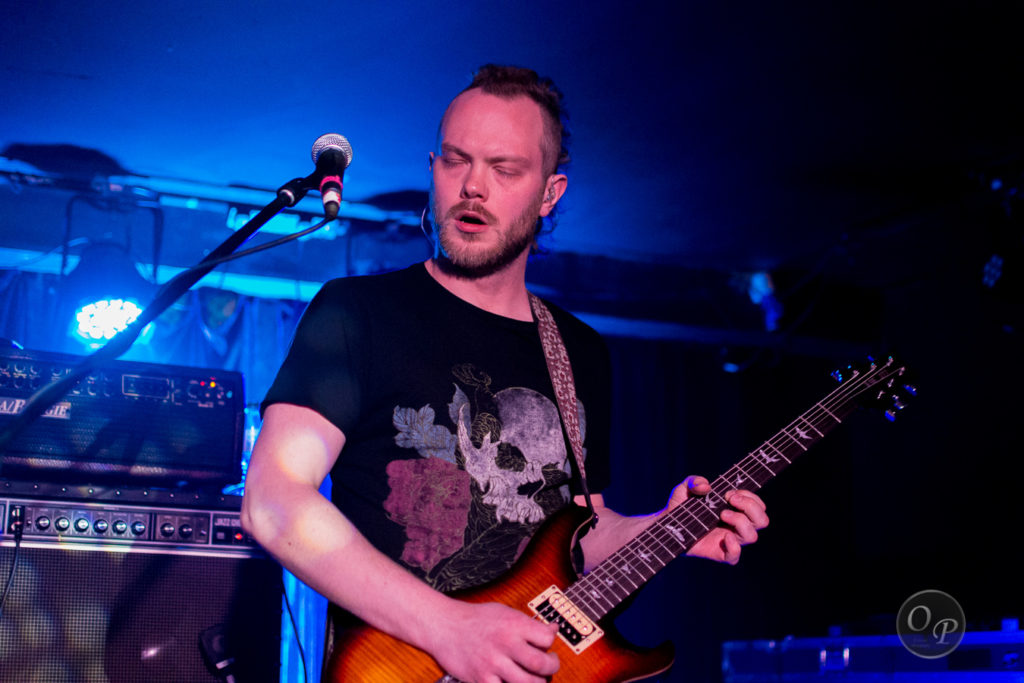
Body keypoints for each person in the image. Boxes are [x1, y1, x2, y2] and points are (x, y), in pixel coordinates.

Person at [241, 64, 769, 683]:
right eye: (456, 161)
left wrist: (663, 528)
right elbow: (273, 501)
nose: (473, 187)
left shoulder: (580, 351)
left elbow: (579, 535)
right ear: (433, 168)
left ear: (550, 193)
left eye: (505, 169)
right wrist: (447, 628)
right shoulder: (357, 314)